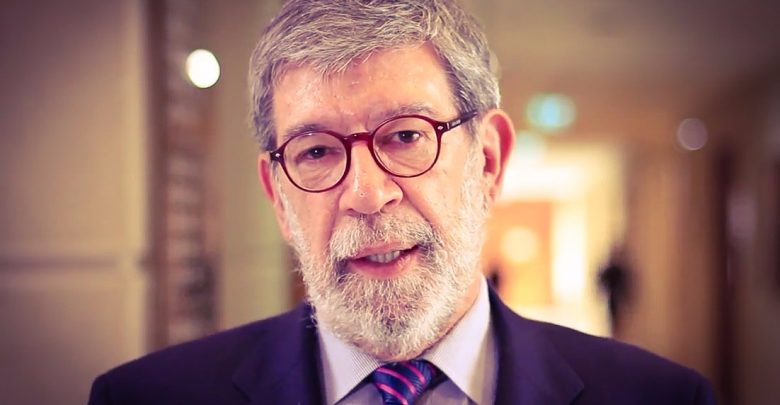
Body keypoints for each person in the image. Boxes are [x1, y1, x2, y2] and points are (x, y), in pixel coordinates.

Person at [89, 0, 715, 404]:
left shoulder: (659, 397)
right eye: (316, 151)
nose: (367, 194)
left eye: (407, 136)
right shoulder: (146, 398)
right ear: (278, 196)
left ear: (489, 161)